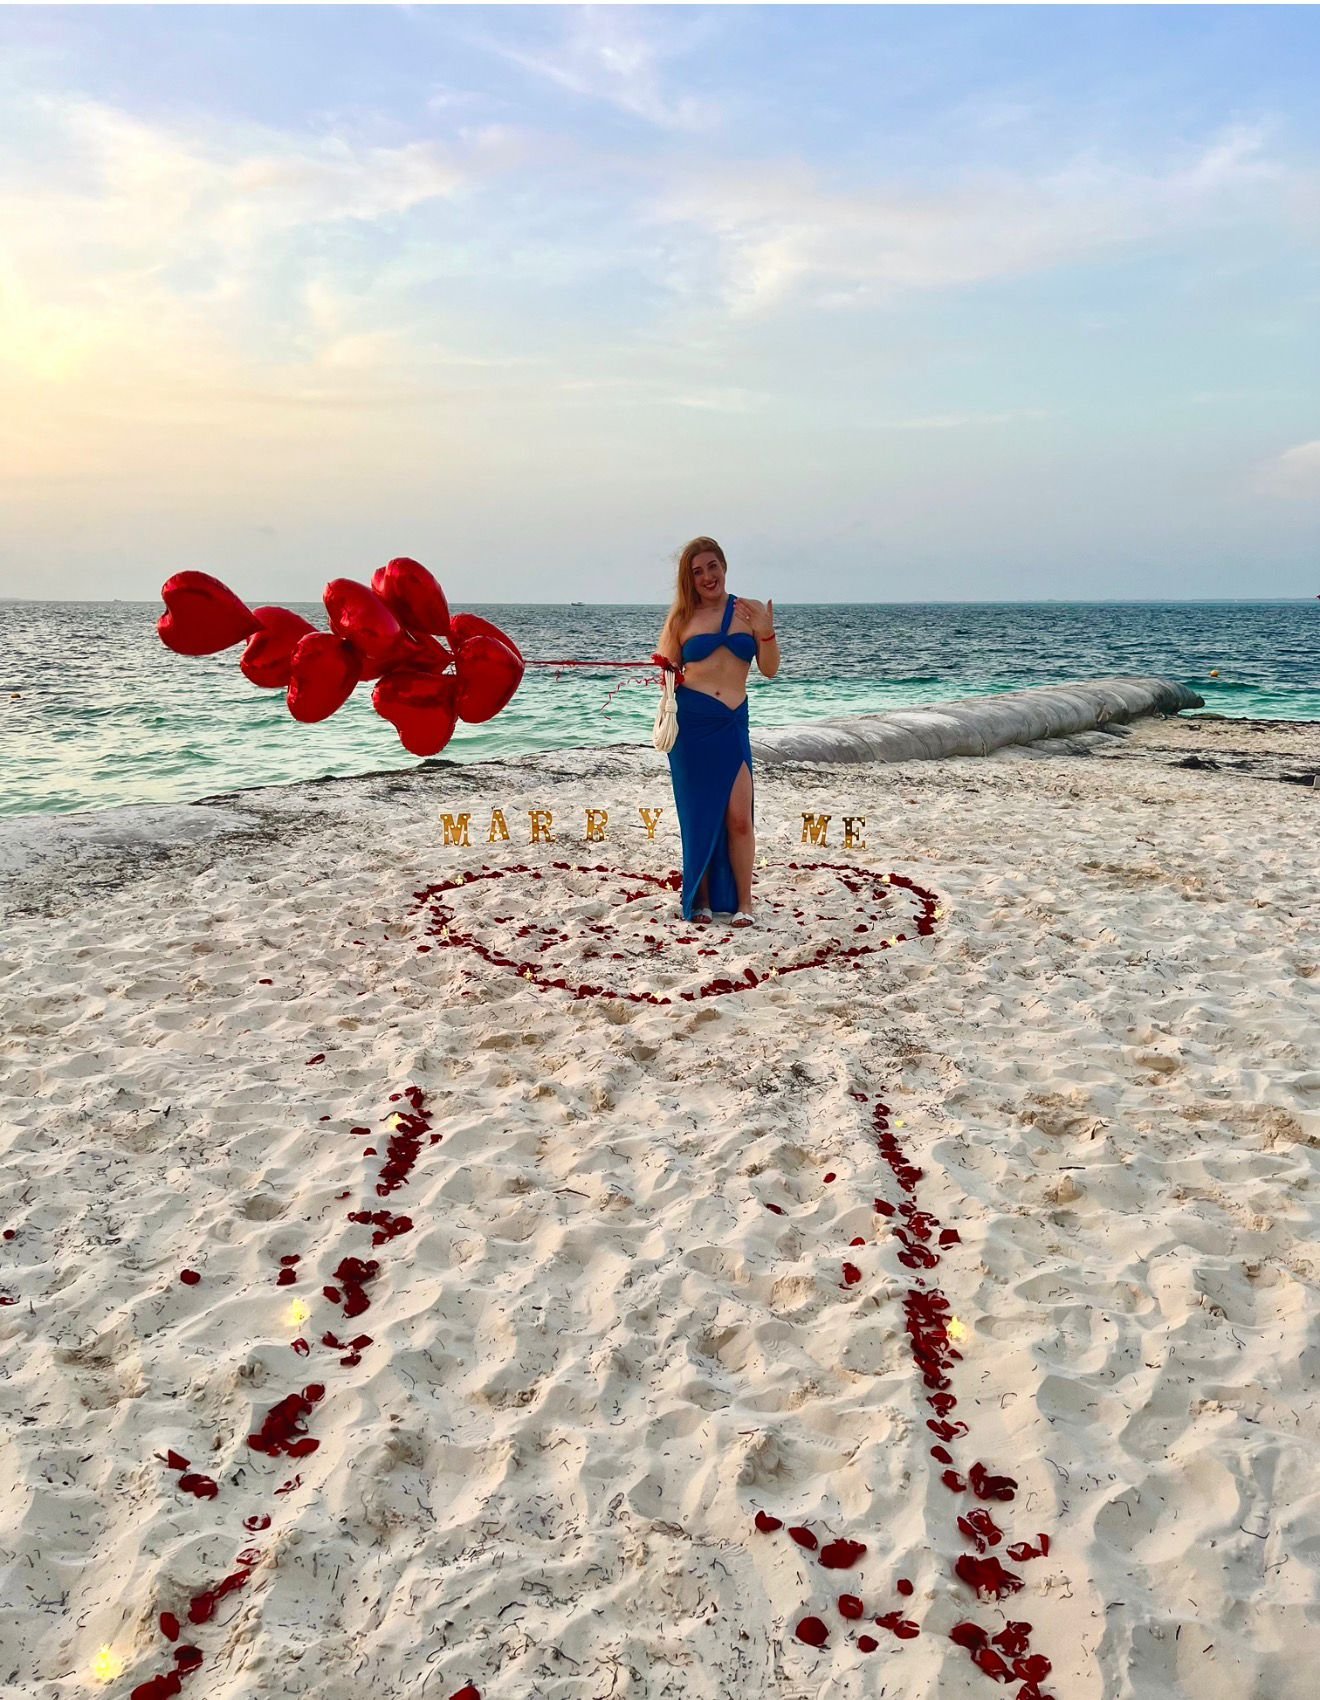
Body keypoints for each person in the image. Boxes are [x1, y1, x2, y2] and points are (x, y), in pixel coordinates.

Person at [656, 537, 778, 926]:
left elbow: (770, 669)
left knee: (740, 817)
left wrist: (765, 631)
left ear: (724, 566)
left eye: (712, 566)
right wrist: (666, 672)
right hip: (692, 725)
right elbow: (667, 671)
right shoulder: (681, 619)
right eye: (697, 572)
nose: (707, 576)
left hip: (732, 722)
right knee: (700, 815)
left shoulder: (749, 611)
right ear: (689, 579)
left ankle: (744, 903)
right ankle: (703, 901)